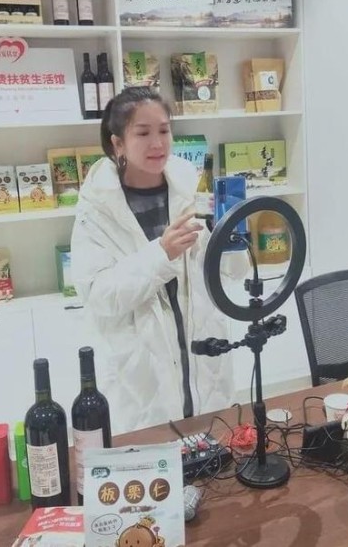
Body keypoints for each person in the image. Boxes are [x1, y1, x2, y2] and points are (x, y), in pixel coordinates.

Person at [71, 86, 236, 435]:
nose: (157, 143)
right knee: (156, 458)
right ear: (118, 144)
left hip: (203, 358)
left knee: (214, 455)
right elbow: (98, 295)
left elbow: (230, 274)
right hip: (141, 372)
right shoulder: (96, 210)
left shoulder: (191, 188)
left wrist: (232, 238)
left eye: (164, 130)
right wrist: (161, 254)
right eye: (143, 133)